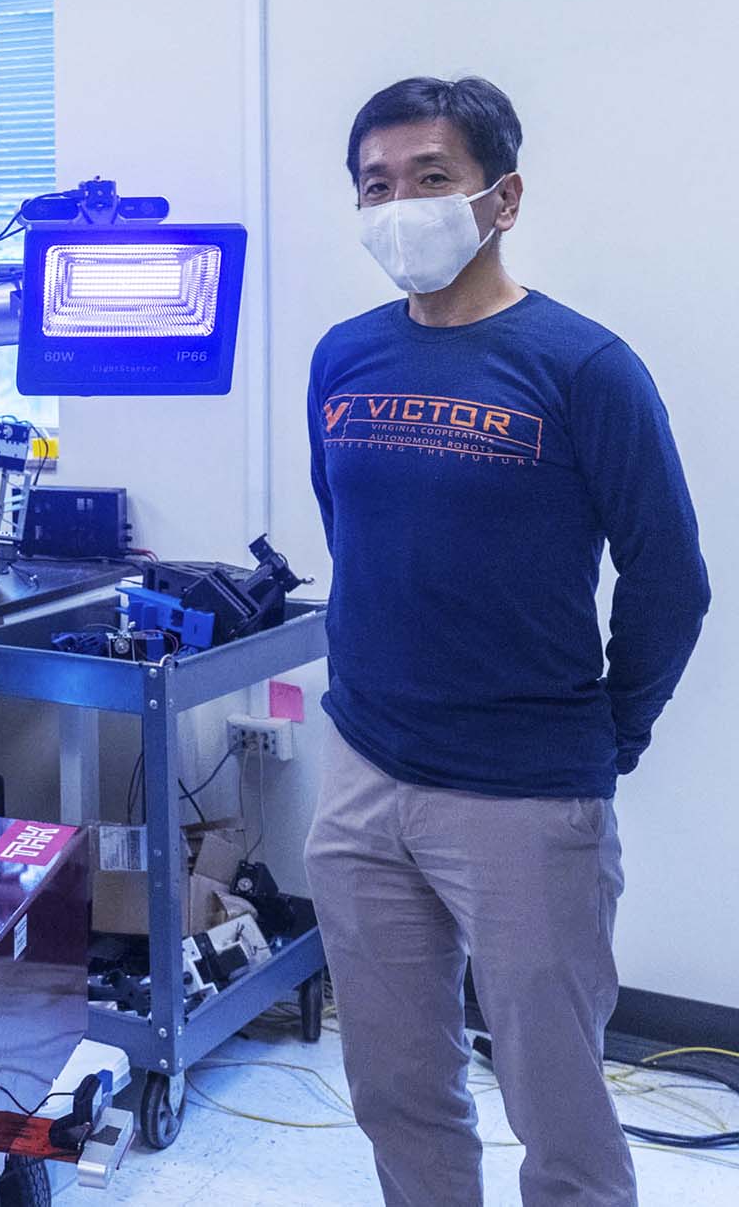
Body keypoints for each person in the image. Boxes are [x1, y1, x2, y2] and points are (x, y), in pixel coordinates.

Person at [304, 75, 711, 1206]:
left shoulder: (582, 367)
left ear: (500, 197)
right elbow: (355, 537)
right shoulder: (341, 358)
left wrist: (605, 735)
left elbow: (668, 578)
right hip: (360, 771)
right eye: (373, 185)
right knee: (393, 1084)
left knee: (557, 1105)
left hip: (525, 795)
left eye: (428, 178)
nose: (398, 205)